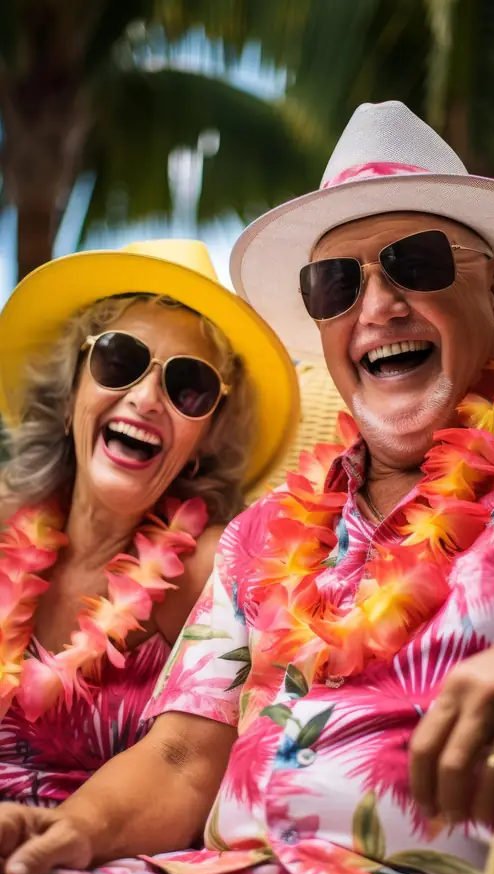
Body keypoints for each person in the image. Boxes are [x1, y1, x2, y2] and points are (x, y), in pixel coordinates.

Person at [0, 102, 494, 874]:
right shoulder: (267, 529)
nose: (377, 304)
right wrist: (67, 832)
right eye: (336, 282)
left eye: (418, 263)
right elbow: (186, 761)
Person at [0, 237, 298, 806]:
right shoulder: (3, 525)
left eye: (190, 385)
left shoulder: (212, 571)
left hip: (88, 865)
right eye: (120, 360)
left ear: (204, 438)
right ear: (70, 395)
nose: (146, 397)